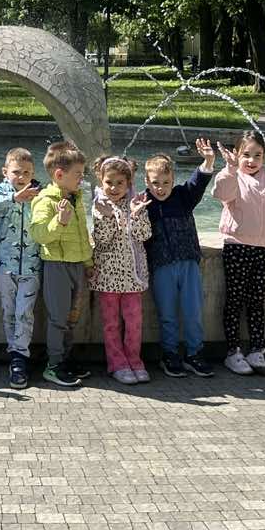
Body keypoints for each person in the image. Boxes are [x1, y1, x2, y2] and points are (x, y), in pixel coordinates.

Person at [211, 130, 265, 375]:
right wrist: (230, 168)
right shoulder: (233, 176)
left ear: (264, 156)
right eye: (246, 155)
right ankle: (233, 351)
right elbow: (220, 193)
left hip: (264, 248)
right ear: (236, 154)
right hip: (237, 246)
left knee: (256, 301)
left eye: (257, 155)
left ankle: (257, 350)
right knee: (234, 299)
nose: (251, 160)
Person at [143, 140, 216, 379]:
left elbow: (199, 182)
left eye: (166, 182)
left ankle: (195, 353)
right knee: (167, 314)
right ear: (146, 182)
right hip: (161, 266)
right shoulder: (143, 204)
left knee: (193, 311)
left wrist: (208, 161)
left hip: (188, 263)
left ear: (173, 180)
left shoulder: (183, 197)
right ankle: (170, 354)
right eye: (155, 183)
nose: (161, 188)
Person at [29, 141, 94, 388]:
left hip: (77, 265)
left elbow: (82, 234)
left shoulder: (75, 198)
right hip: (56, 267)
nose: (82, 179)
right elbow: (39, 235)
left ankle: (65, 360)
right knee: (58, 318)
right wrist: (60, 221)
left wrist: (88, 261)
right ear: (59, 174)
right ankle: (53, 365)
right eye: (78, 174)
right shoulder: (45, 200)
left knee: (71, 318)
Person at [89, 156, 152, 384]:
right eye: (109, 182)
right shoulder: (99, 205)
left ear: (128, 182)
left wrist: (136, 214)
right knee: (111, 323)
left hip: (133, 277)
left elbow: (144, 235)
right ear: (101, 180)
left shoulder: (137, 202)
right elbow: (101, 240)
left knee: (134, 323)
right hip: (107, 277)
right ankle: (117, 363)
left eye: (119, 183)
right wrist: (106, 216)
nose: (114, 188)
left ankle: (135, 361)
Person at [0, 147, 43, 388]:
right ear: (5, 172)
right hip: (5, 266)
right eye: (16, 172)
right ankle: (14, 354)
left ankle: (21, 357)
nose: (21, 177)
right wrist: (14, 198)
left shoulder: (39, 195)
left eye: (27, 172)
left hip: (31, 266)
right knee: (9, 311)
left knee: (24, 312)